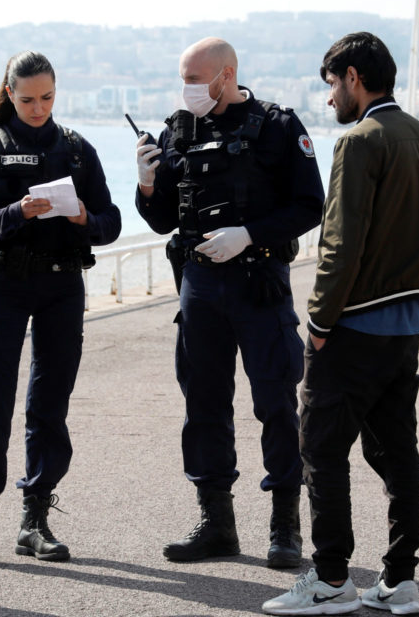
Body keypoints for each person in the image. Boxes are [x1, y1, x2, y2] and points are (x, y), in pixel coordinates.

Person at [264, 32, 419, 615]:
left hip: (353, 325)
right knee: (397, 452)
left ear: (353, 77)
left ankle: (330, 580)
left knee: (321, 450)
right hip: (408, 323)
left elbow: (339, 242)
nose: (329, 98)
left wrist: (319, 320)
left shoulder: (360, 140)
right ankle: (399, 580)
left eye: (331, 84)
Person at [135, 37, 324, 567]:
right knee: (204, 403)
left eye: (196, 80)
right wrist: (146, 185)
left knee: (275, 403)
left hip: (258, 280)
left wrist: (250, 234)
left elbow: (311, 205)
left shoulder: (278, 126)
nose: (188, 90)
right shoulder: (178, 131)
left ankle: (285, 526)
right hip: (200, 284)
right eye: (183, 80)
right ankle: (216, 523)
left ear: (227, 75)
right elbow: (163, 219)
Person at [0, 51, 121, 568]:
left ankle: (35, 520)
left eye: (47, 97)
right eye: (27, 99)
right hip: (6, 284)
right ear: (10, 94)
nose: (38, 108)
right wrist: (17, 212)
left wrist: (84, 219)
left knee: (50, 404)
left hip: (63, 285)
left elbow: (111, 223)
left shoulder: (77, 149)